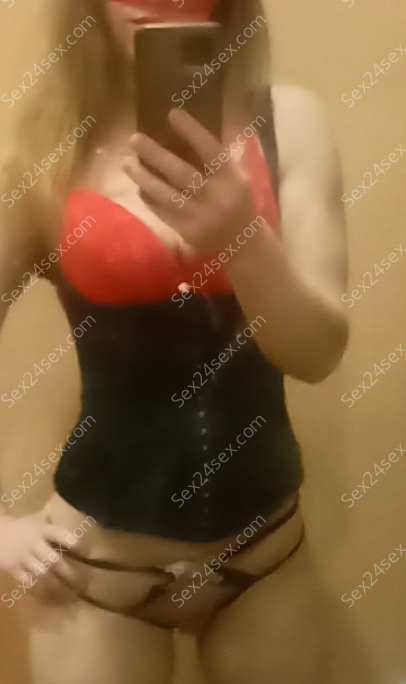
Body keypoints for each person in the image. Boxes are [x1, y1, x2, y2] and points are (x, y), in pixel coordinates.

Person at [0, 0, 349, 682]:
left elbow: (318, 354)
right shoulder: (42, 150)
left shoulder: (289, 122)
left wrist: (243, 241)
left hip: (267, 557)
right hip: (100, 574)